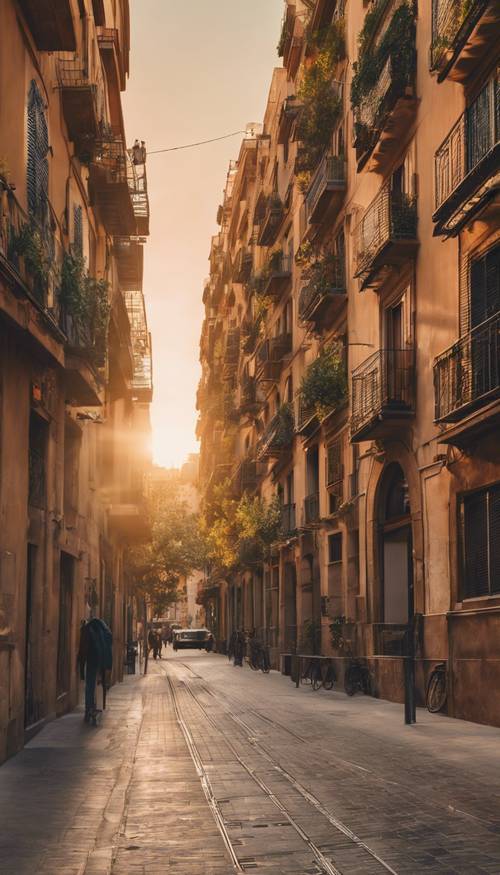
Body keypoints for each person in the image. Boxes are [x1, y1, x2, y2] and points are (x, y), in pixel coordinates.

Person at [78, 618, 113, 723]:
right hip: (102, 660)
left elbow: (83, 650)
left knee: (90, 685)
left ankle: (89, 709)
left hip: (92, 661)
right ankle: (97, 706)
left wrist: (81, 667)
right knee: (99, 684)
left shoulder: (87, 630)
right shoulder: (104, 630)